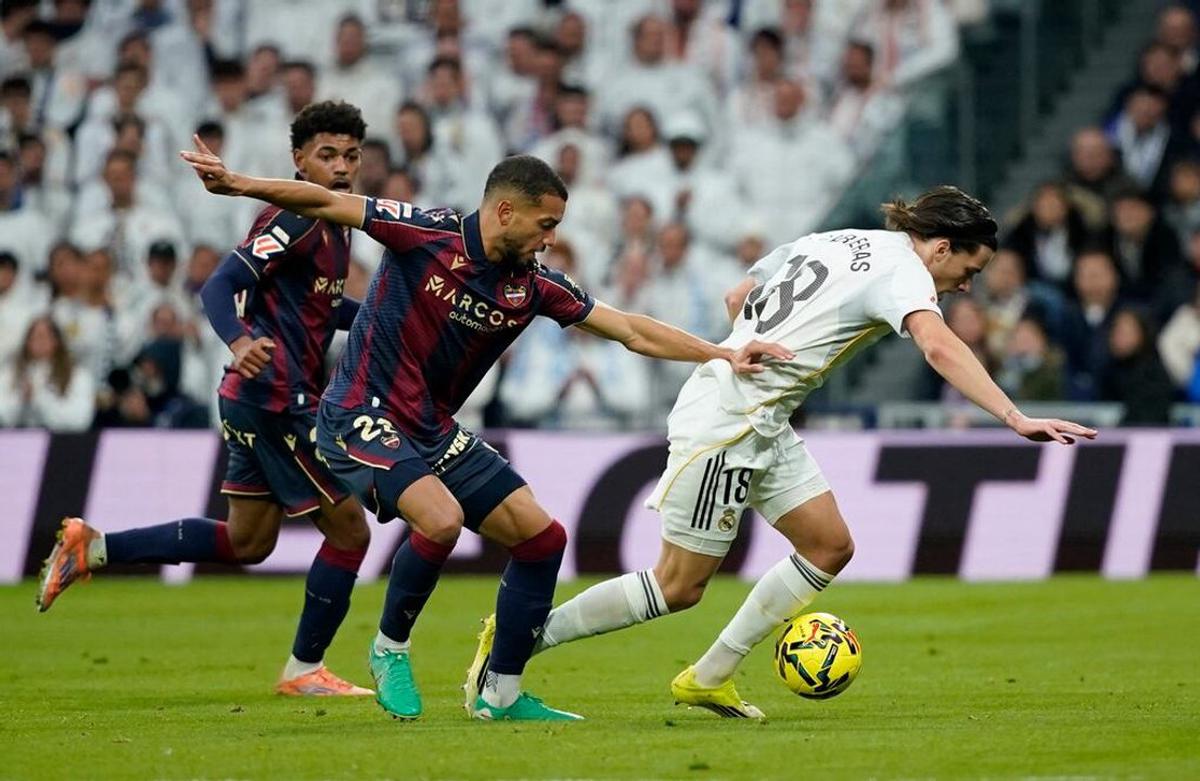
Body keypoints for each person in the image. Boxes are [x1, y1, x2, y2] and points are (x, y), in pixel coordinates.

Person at [178, 142, 788, 722]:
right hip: (358, 412)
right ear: (504, 211)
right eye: (545, 224)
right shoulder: (426, 232)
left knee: (542, 538)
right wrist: (237, 184)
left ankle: (500, 691)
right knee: (440, 520)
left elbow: (628, 328)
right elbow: (326, 203)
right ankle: (390, 648)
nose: (552, 238)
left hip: (431, 427)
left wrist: (722, 353)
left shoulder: (535, 283)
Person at [510, 186, 1097, 718]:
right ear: (941, 249)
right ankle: (518, 635)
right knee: (677, 586)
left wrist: (752, 348)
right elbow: (939, 347)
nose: (967, 285)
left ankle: (709, 678)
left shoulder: (840, 239)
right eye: (969, 269)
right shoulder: (904, 274)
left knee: (828, 545)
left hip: (760, 416)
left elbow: (737, 292)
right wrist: (1013, 416)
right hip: (732, 424)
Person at [36, 101, 376, 698]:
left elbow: (321, 308)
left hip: (255, 398)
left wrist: (381, 316)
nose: (341, 167)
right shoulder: (295, 219)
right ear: (298, 160)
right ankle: (304, 672)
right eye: (327, 155)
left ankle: (92, 548)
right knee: (350, 533)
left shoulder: (333, 223)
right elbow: (221, 283)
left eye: (350, 155)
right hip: (275, 397)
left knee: (248, 541)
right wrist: (241, 339)